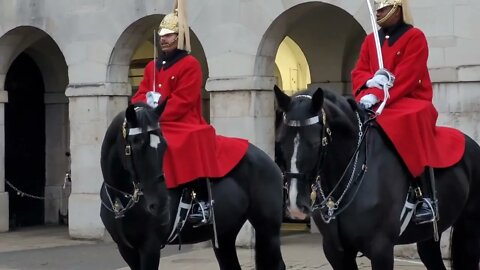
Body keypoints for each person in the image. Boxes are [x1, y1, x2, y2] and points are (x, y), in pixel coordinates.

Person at [131, 2, 248, 226]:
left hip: (183, 121)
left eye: (169, 35)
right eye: (162, 35)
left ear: (179, 37)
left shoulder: (190, 64)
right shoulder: (151, 68)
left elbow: (184, 100)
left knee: (179, 141)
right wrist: (145, 112)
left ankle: (201, 202)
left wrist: (154, 114)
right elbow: (140, 95)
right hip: (154, 120)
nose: (164, 39)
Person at [351, 0, 465, 224]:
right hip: (374, 98)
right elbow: (360, 69)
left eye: (383, 9)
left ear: (397, 9)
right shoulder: (370, 40)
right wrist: (370, 83)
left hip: (410, 97)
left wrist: (384, 89)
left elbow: (409, 75)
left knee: (405, 118)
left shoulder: (415, 37)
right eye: (377, 9)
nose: (378, 13)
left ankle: (426, 196)